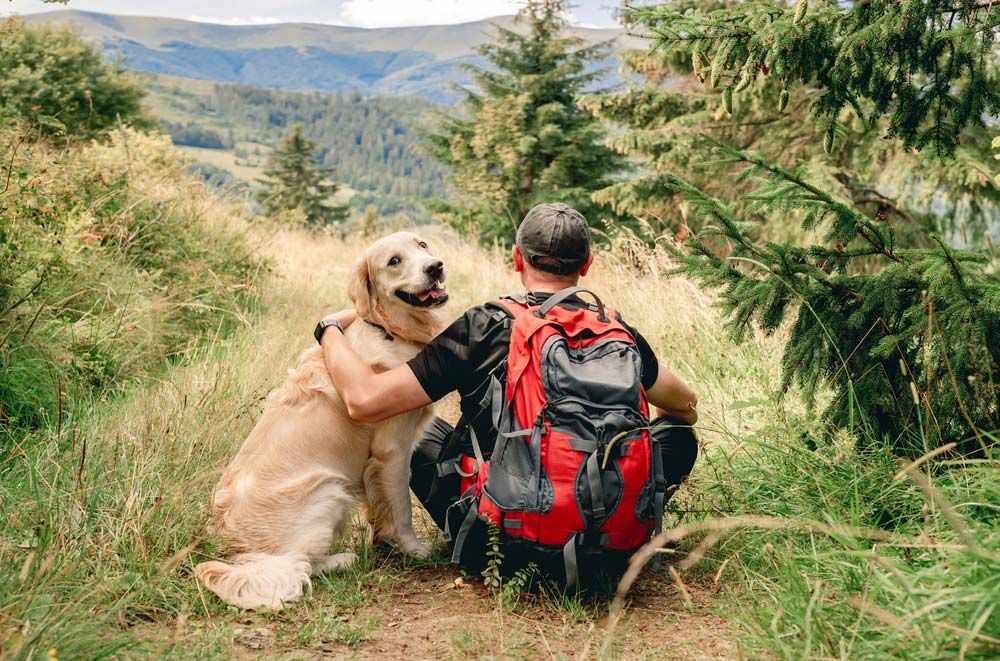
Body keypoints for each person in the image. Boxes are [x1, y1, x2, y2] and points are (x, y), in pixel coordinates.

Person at [316, 203, 699, 585]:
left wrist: (329, 328)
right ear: (587, 264)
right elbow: (687, 406)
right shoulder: (617, 330)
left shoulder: (481, 327)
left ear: (517, 259)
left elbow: (364, 401)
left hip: (498, 546)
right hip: (613, 551)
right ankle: (616, 522)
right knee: (679, 437)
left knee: (418, 432)